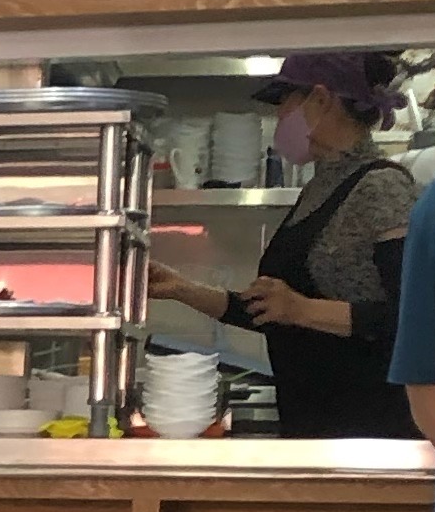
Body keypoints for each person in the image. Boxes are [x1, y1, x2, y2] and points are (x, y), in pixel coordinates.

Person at [151, 55, 417, 441]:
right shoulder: (319, 188)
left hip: (370, 434)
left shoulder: (382, 187)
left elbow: (413, 318)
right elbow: (274, 311)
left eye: (284, 102)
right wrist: (180, 288)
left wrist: (302, 309)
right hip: (316, 427)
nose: (279, 117)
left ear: (321, 99)